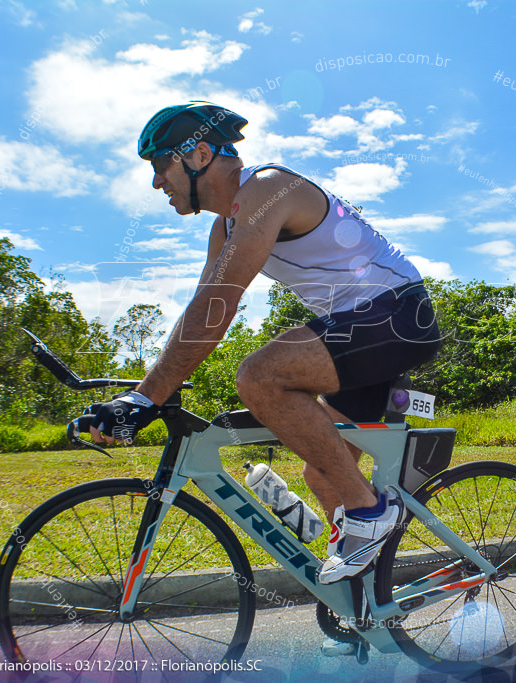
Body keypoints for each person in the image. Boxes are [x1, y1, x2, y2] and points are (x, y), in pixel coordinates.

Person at [87, 101, 441, 586]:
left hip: (398, 316)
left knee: (261, 375)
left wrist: (147, 397)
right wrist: (145, 388)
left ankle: (371, 512)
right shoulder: (225, 226)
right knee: (325, 475)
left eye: (159, 164)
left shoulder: (268, 187)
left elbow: (218, 307)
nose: (155, 183)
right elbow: (200, 311)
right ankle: (367, 606)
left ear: (198, 154)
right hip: (363, 328)